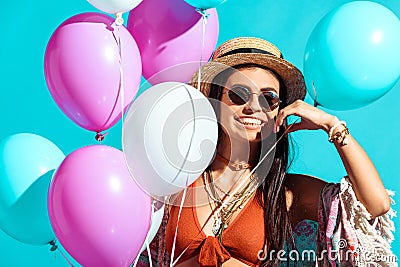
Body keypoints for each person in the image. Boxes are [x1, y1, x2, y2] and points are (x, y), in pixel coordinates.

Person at [137, 37, 396, 267]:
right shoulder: (177, 183)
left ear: (278, 111)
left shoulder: (287, 193)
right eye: (238, 95)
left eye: (268, 98)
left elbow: (375, 205)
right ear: (215, 105)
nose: (254, 107)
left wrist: (332, 126)